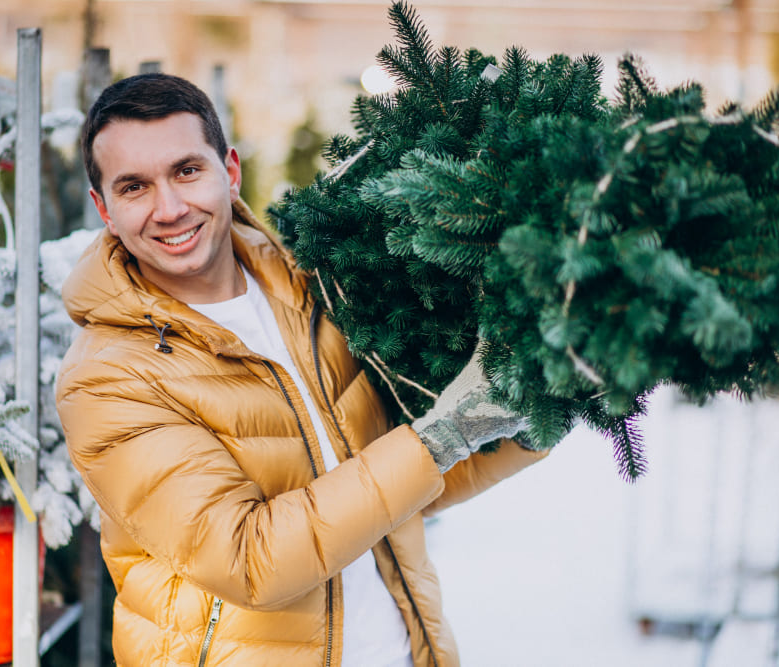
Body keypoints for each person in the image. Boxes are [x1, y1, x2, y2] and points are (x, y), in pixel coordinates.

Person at [56, 72, 550, 667]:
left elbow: (399, 485)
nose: (169, 208)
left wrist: (528, 417)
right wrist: (442, 437)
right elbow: (248, 560)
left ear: (229, 171)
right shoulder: (109, 378)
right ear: (103, 209)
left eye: (187, 170)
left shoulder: (315, 282)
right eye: (134, 187)